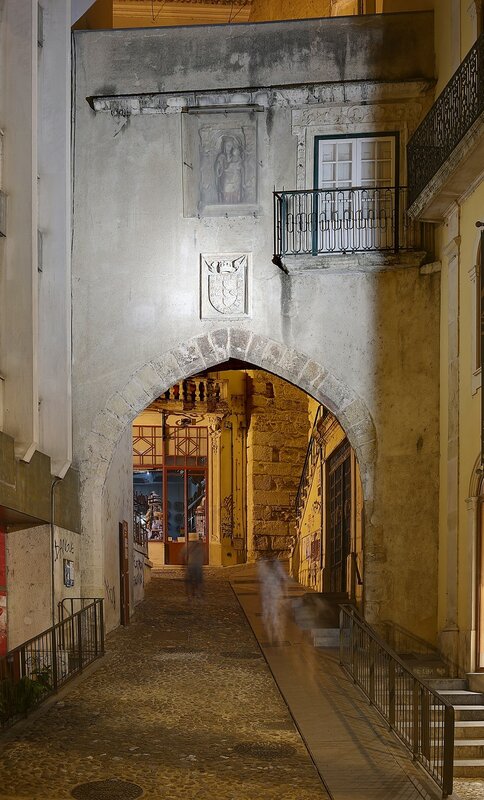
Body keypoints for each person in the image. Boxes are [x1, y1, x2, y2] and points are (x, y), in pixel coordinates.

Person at [257, 554, 288, 645]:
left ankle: (274, 635)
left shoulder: (270, 567)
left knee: (272, 615)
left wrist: (284, 593)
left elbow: (283, 580)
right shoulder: (268, 567)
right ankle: (273, 635)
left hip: (273, 595)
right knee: (270, 615)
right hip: (270, 595)